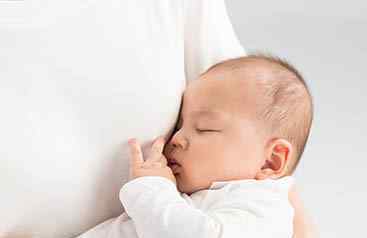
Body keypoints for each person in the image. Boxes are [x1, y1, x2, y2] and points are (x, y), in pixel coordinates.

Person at [77, 54, 315, 237]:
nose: (177, 138)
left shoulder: (263, 210)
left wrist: (151, 189)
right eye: (179, 124)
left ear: (271, 161)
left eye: (204, 128)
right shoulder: (215, 196)